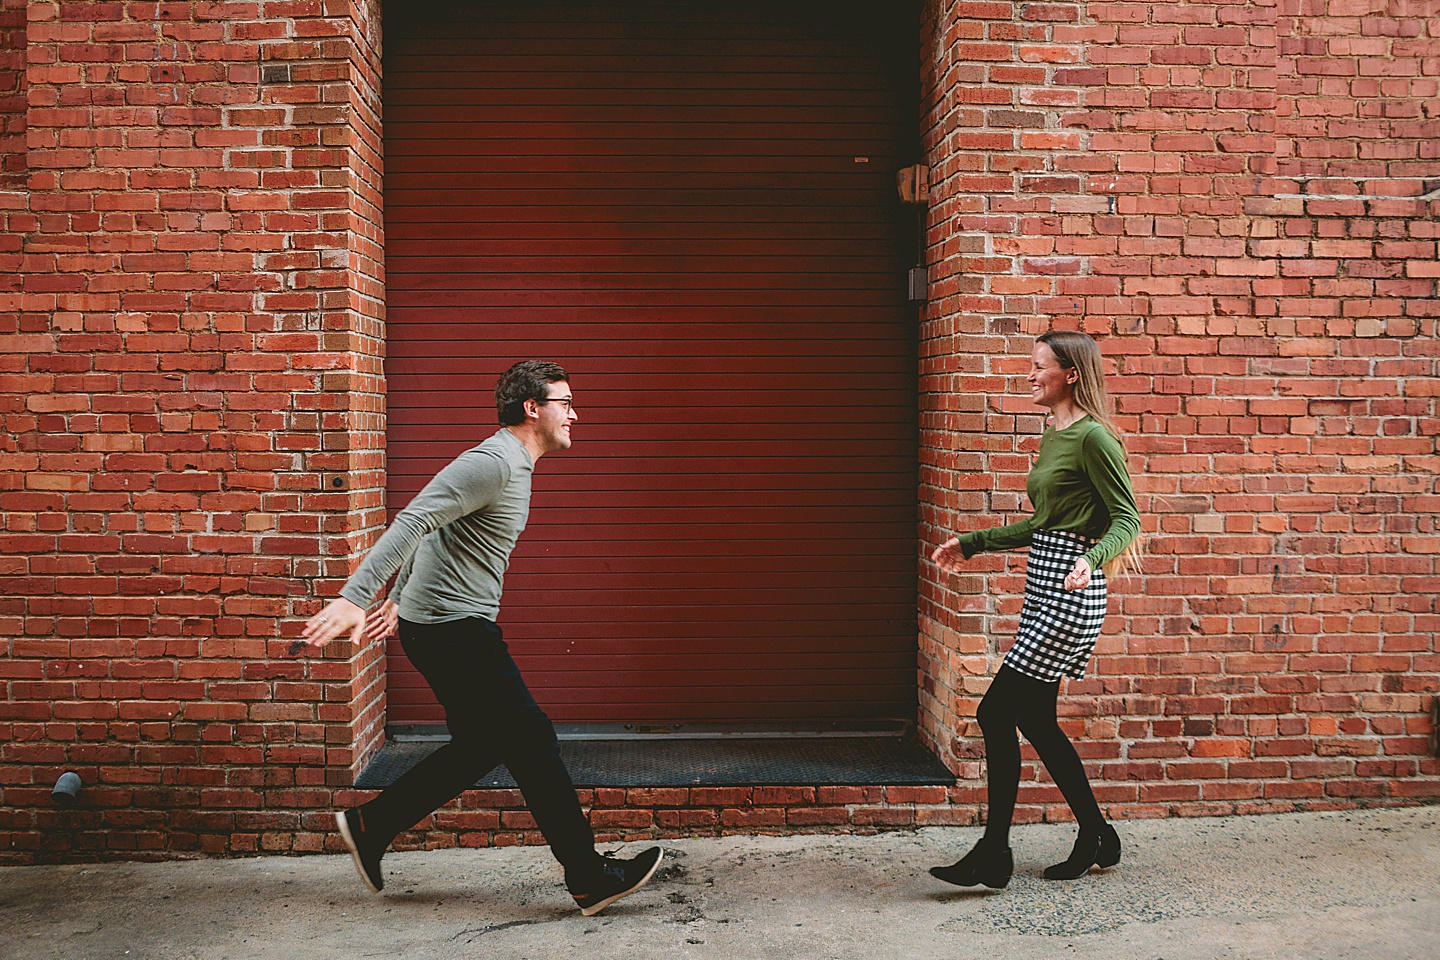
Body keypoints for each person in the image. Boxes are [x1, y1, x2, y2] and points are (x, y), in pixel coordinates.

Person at [299, 360, 663, 917]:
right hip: (456, 631)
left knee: (484, 744)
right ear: (531, 409)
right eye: (565, 402)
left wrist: (403, 595)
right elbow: (414, 518)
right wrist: (358, 596)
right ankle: (589, 876)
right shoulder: (494, 462)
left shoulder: (514, 463)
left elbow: (443, 523)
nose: (575, 413)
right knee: (533, 738)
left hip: (441, 624)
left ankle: (374, 825)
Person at [928, 331, 1141, 889]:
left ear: (1070, 373)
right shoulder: (1053, 435)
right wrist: (972, 543)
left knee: (996, 713)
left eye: (1038, 365)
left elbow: (1128, 519)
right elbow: (1043, 525)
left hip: (1072, 589)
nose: (1029, 373)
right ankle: (1097, 833)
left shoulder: (1095, 439)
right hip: (1045, 580)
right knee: (1037, 720)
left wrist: (1092, 561)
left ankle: (994, 852)